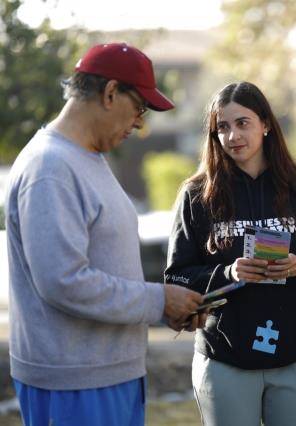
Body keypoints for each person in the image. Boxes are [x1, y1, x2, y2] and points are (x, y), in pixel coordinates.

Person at [5, 42, 207, 426]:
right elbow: (63, 282)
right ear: (110, 92)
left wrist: (163, 308)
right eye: (140, 109)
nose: (140, 123)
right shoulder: (51, 167)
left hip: (108, 375)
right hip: (75, 384)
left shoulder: (87, 158)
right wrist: (157, 300)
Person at [164, 81, 296, 426]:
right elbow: (176, 277)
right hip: (225, 356)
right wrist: (229, 274)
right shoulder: (196, 194)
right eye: (223, 127)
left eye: (242, 123)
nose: (233, 136)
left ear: (265, 124)